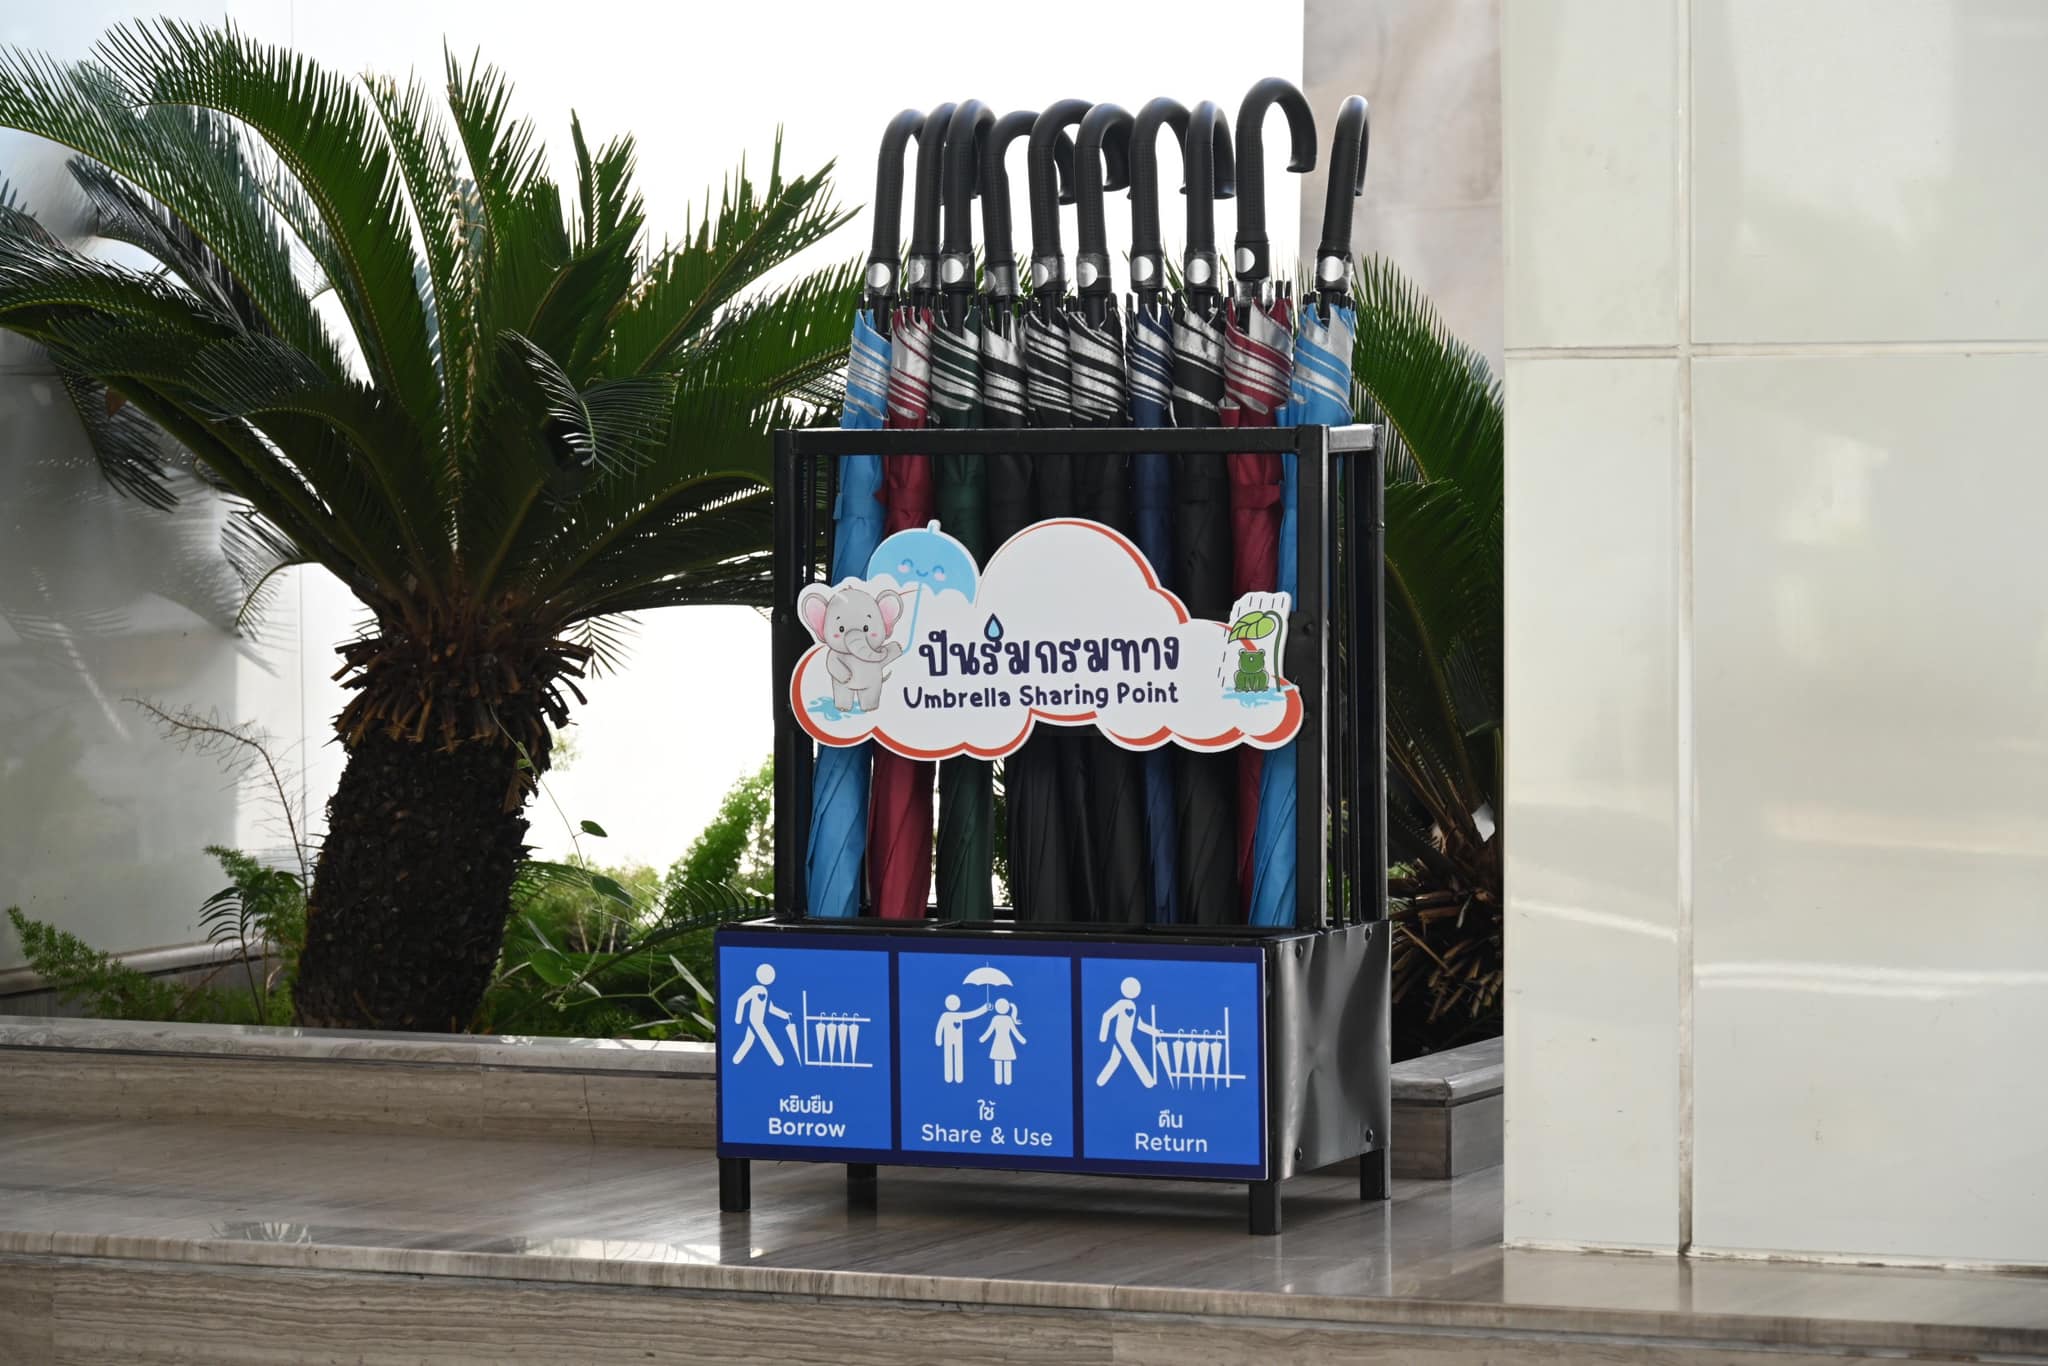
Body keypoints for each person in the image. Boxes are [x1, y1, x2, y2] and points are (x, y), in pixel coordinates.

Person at [1096, 976, 1159, 1088]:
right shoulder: (1121, 1004)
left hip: (1126, 1037)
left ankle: (1100, 1081)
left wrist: (1153, 1031)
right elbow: (1107, 1016)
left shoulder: (1134, 1006)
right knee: (1134, 1056)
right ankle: (1148, 1081)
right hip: (1120, 1037)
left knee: (1115, 1060)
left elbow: (1139, 1024)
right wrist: (1103, 1036)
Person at [732, 963, 792, 1066]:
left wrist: (785, 1015)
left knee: (749, 1041)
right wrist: (738, 1018)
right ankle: (779, 1060)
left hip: (759, 1020)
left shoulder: (766, 992)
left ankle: (736, 1060)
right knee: (766, 1038)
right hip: (754, 1020)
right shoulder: (754, 989)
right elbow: (742, 1000)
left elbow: (771, 1008)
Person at [934, 992, 990, 1083]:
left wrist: (984, 1009)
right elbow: (940, 1028)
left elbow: (971, 1014)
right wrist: (938, 1039)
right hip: (948, 1040)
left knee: (958, 1057)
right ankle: (948, 1077)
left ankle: (959, 1077)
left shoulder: (959, 1015)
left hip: (958, 1040)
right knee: (948, 1056)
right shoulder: (945, 1016)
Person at [978, 998, 1027, 1085]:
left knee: (999, 1062)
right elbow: (1015, 1032)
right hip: (1006, 1043)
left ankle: (1000, 1081)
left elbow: (989, 1031)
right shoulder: (1007, 1019)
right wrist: (1022, 1040)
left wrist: (983, 1038)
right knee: (1005, 1062)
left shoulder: (998, 1019)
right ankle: (1006, 1081)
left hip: (999, 1043)